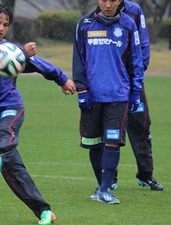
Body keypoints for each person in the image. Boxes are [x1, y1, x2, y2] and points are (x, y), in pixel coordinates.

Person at [0, 3, 76, 224]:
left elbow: (36, 63)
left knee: (7, 134)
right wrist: (22, 54)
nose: (1, 28)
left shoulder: (10, 48)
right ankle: (44, 210)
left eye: (5, 24)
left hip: (10, 105)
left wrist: (61, 78)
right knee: (12, 168)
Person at [72, 0, 144, 204]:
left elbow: (135, 60)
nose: (108, 4)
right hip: (92, 96)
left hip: (118, 95)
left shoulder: (129, 25)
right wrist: (82, 89)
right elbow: (78, 58)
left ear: (120, 1)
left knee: (112, 141)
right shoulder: (84, 24)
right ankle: (100, 186)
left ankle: (106, 189)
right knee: (94, 143)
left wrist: (136, 92)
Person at [111, 0, 164, 191]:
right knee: (111, 130)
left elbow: (143, 42)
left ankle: (146, 175)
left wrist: (138, 74)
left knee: (141, 126)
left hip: (133, 82)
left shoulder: (134, 11)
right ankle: (110, 178)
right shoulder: (97, 14)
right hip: (110, 83)